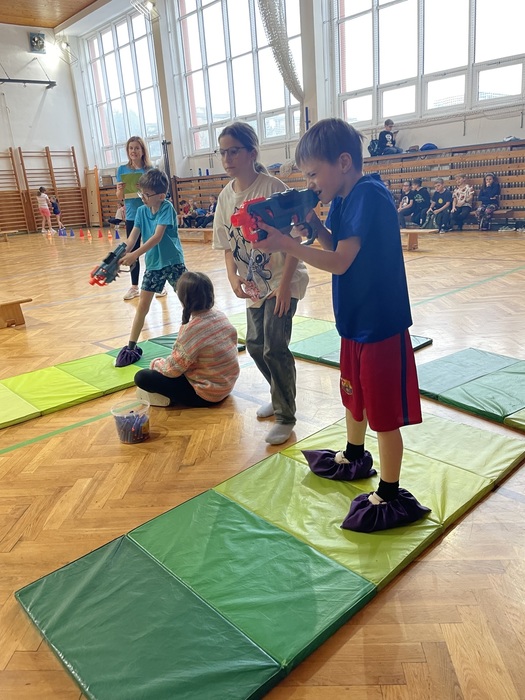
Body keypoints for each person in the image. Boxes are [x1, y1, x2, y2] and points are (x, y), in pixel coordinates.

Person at [256, 117, 430, 533]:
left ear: (345, 162)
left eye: (314, 174)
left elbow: (339, 262)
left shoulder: (369, 195)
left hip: (380, 325)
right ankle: (354, 454)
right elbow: (336, 244)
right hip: (354, 320)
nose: (310, 183)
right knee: (354, 394)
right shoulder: (342, 198)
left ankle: (389, 492)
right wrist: (316, 227)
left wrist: (286, 244)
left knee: (383, 413)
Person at [212, 121, 309, 446]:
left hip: (283, 280)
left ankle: (285, 415)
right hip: (256, 285)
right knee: (254, 346)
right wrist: (232, 276)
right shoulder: (225, 197)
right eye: (223, 152)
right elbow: (227, 245)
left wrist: (284, 286)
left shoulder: (272, 188)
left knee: (274, 347)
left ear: (252, 153)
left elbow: (295, 240)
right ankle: (279, 393)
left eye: (234, 151)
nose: (227, 158)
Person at [114, 169, 187, 367]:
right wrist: (120, 254)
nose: (143, 198)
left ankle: (192, 339)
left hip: (173, 263)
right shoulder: (140, 211)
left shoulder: (167, 208)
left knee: (187, 302)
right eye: (142, 194)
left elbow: (157, 237)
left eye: (146, 195)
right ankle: (131, 347)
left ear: (161, 196)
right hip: (154, 265)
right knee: (143, 306)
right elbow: (132, 238)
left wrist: (135, 255)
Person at [134, 271, 240, 407]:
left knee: (142, 377)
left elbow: (171, 370)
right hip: (226, 385)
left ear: (183, 299)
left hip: (207, 395)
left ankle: (169, 398)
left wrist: (155, 364)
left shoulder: (192, 330)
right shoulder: (221, 316)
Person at [117, 136, 167, 300]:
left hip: (150, 213)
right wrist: (120, 190)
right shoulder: (122, 170)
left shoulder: (150, 169)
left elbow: (157, 191)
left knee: (154, 248)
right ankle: (134, 286)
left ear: (142, 150)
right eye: (131, 148)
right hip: (133, 214)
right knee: (133, 249)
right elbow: (119, 197)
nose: (134, 151)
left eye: (137, 148)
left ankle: (160, 285)